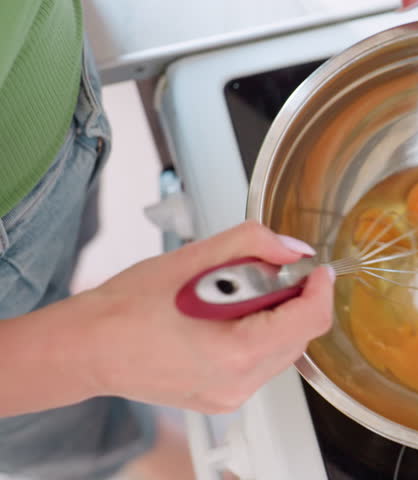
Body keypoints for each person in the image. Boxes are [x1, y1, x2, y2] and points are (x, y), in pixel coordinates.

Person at [0, 1, 334, 479]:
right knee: (44, 426)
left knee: (60, 266)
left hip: (50, 103)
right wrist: (92, 352)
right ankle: (129, 455)